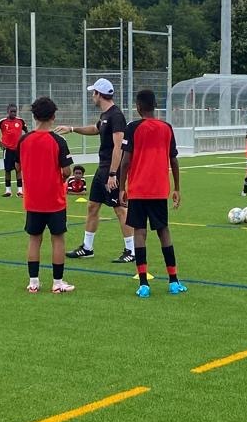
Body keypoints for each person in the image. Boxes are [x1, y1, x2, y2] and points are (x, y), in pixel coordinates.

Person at [118, 88, 186, 298]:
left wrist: (121, 187)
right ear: (154, 106)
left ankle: (144, 283)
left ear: (138, 107)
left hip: (138, 190)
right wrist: (176, 188)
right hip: (159, 190)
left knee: (140, 233)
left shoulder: (133, 128)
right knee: (163, 231)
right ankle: (173, 281)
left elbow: (126, 161)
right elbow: (173, 159)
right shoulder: (166, 128)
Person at [64, 79, 135, 263]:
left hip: (111, 170)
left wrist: (113, 174)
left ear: (99, 94)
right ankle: (87, 248)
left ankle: (131, 250)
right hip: (102, 168)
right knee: (92, 206)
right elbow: (96, 129)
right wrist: (72, 129)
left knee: (119, 209)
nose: (92, 96)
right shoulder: (105, 116)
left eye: (93, 92)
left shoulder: (116, 115)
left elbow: (118, 146)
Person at [19, 96, 75, 294]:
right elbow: (67, 171)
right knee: (57, 238)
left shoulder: (24, 140)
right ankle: (57, 282)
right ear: (53, 116)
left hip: (33, 199)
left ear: (34, 116)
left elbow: (18, 166)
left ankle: (33, 282)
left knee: (34, 239)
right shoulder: (58, 141)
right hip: (54, 199)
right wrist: (58, 178)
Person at [0, 104, 27, 198]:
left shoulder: (20, 121)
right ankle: (8, 190)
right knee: (7, 170)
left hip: (17, 149)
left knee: (18, 169)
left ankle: (20, 191)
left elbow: (27, 132)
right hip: (7, 149)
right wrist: (0, 143)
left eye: (15, 111)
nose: (13, 113)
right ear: (8, 111)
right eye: (11, 111)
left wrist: (24, 143)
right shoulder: (2, 121)